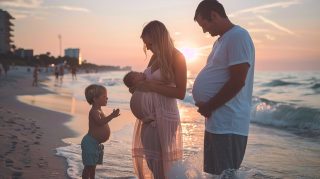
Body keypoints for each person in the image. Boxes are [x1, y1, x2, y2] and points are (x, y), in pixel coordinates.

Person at [192, 0, 255, 176]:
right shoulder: (220, 41)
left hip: (230, 123)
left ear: (214, 15)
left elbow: (238, 81)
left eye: (204, 25)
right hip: (216, 122)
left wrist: (209, 106)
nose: (204, 31)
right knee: (215, 175)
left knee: (227, 175)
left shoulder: (238, 36)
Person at [131, 20, 187, 179]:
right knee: (151, 161)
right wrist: (137, 88)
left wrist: (151, 87)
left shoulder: (178, 57)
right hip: (148, 117)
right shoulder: (154, 58)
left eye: (148, 43)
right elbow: (146, 82)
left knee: (162, 164)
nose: (147, 47)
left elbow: (181, 92)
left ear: (158, 38)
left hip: (165, 115)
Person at [81, 84, 120, 179]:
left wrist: (111, 116)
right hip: (89, 143)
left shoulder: (99, 109)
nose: (107, 98)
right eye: (104, 96)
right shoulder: (94, 111)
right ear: (95, 99)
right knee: (88, 167)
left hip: (95, 144)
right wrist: (112, 116)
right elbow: (100, 122)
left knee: (93, 166)